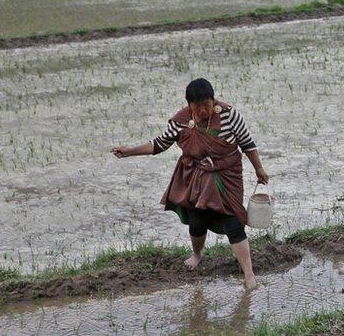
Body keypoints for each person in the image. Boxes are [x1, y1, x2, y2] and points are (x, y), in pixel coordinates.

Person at [111, 78, 269, 289]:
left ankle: (249, 275)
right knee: (197, 219)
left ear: (213, 100)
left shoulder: (230, 115)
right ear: (189, 105)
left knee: (233, 220)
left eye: (207, 104)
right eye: (197, 106)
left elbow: (247, 143)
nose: (203, 110)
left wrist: (259, 168)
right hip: (196, 175)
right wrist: (129, 151)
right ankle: (197, 254)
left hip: (226, 175)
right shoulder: (181, 120)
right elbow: (160, 143)